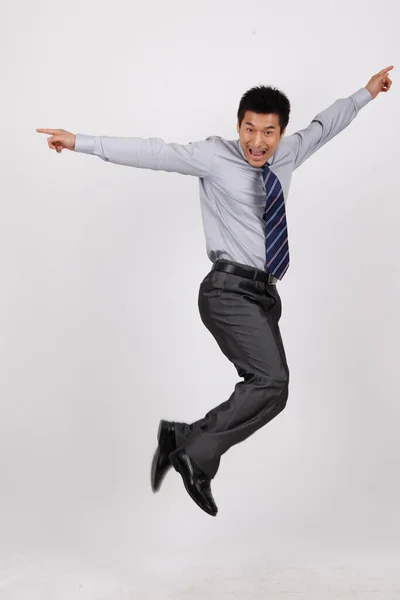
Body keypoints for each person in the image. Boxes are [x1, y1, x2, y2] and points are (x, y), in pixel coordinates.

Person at [37, 65, 393, 517]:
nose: (257, 142)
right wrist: (80, 141)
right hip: (227, 289)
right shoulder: (213, 156)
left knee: (273, 391)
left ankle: (182, 438)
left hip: (264, 294)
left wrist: (366, 93)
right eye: (249, 129)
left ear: (281, 132)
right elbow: (153, 152)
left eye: (268, 132)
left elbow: (326, 124)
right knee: (272, 380)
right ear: (238, 125)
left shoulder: (287, 154)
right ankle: (195, 455)